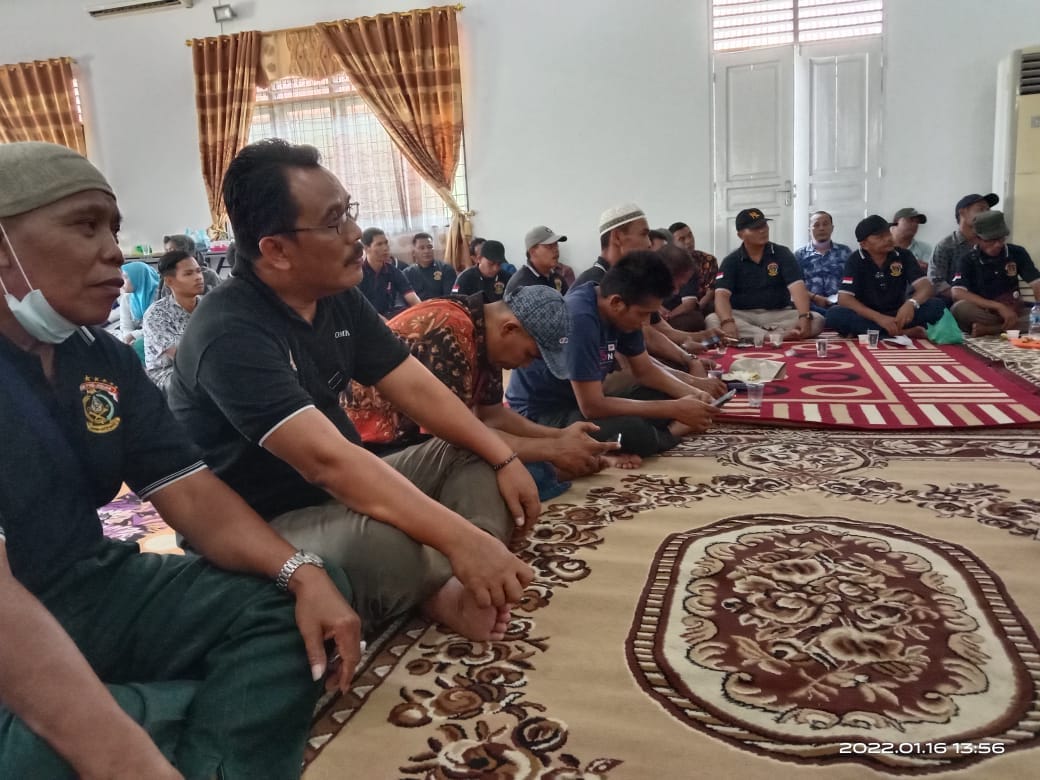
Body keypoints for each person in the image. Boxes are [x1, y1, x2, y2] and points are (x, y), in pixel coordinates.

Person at [0, 141, 358, 780]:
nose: (115, 250)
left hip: (89, 587)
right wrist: (118, 752)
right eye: (85, 225)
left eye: (113, 228)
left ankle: (175, 734)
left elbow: (191, 494)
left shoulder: (99, 358)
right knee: (62, 749)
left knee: (300, 598)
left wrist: (300, 571)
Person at [169, 139, 538, 644]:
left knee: (475, 452)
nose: (354, 235)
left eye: (349, 212)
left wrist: (503, 457)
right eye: (333, 222)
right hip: (266, 520)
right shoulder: (228, 331)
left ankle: (468, 578)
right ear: (275, 250)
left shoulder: (335, 295)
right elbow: (327, 464)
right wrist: (456, 536)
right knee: (387, 547)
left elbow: (415, 387)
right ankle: (441, 582)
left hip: (345, 485)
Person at [346, 285, 623, 475]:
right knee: (494, 473)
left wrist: (560, 437)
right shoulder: (448, 331)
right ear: (509, 329)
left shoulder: (482, 333)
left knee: (525, 465)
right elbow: (456, 440)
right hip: (374, 452)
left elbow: (493, 416)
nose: (527, 365)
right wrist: (553, 449)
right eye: (530, 354)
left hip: (424, 444)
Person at [507, 251, 719, 458]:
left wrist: (693, 394)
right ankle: (672, 432)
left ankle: (661, 430)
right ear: (617, 303)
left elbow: (645, 371)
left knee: (664, 394)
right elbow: (592, 407)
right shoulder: (579, 319)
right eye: (643, 314)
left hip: (579, 402)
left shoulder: (621, 310)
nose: (644, 323)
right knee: (632, 430)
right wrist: (674, 409)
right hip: (544, 413)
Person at [706, 208, 823, 341]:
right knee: (712, 320)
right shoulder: (731, 260)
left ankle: (759, 335)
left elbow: (798, 288)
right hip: (742, 314)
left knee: (817, 319)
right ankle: (773, 335)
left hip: (779, 313)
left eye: (764, 225)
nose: (762, 230)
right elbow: (721, 296)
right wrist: (727, 322)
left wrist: (804, 317)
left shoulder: (782, 253)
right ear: (740, 235)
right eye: (755, 228)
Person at [824, 214, 945, 338]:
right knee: (834, 315)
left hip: (899, 313)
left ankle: (878, 332)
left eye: (888, 233)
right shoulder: (855, 260)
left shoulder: (903, 255)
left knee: (937, 305)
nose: (888, 239)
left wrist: (911, 303)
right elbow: (844, 298)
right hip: (869, 315)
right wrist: (879, 318)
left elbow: (925, 287)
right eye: (880, 237)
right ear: (864, 244)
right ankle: (899, 332)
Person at [950, 210, 1040, 336]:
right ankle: (1008, 327)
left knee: (1035, 317)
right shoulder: (967, 259)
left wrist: (1037, 307)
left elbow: (1036, 283)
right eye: (991, 240)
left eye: (1001, 239)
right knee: (959, 309)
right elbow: (957, 292)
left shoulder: (1017, 253)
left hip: (1015, 311)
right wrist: (998, 307)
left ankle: (991, 329)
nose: (998, 245)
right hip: (985, 312)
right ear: (977, 239)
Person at [142, 249, 204, 391]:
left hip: (205, 367)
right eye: (189, 273)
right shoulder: (157, 314)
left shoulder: (208, 306)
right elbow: (181, 357)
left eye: (198, 271)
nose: (198, 277)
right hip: (168, 373)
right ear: (169, 281)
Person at [929, 192, 999, 303]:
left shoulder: (992, 244)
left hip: (992, 302)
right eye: (981, 209)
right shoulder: (946, 246)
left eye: (988, 210)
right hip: (957, 303)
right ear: (962, 213)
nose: (986, 214)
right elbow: (936, 282)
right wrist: (970, 299)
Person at [793, 210, 852, 315]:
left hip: (840, 307)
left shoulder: (845, 252)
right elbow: (795, 286)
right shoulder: (799, 255)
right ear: (809, 229)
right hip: (810, 308)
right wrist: (814, 297)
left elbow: (851, 280)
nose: (821, 228)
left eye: (825, 224)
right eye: (816, 225)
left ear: (832, 228)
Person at [358, 226, 420, 318]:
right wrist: (385, 324)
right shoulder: (358, 274)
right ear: (366, 248)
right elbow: (361, 308)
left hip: (389, 316)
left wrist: (423, 311)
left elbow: (411, 296)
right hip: (365, 318)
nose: (385, 248)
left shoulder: (393, 271)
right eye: (379, 244)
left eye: (386, 243)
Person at [667, 220, 719, 325]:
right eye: (682, 239)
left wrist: (697, 307)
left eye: (690, 235)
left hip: (700, 304)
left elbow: (711, 290)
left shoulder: (708, 260)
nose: (689, 241)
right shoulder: (668, 262)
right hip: (676, 306)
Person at [505, 225, 569, 294]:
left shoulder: (556, 278)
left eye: (556, 245)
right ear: (532, 252)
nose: (555, 250)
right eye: (549, 246)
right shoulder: (521, 285)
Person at [403, 232, 457, 300]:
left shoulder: (446, 269)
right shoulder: (407, 273)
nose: (426, 251)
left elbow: (450, 297)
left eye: (430, 247)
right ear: (413, 252)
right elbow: (402, 298)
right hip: (417, 306)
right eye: (422, 248)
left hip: (441, 305)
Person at [118, 260, 158, 347]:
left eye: (125, 277)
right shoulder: (126, 298)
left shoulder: (159, 296)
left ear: (138, 278)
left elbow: (159, 327)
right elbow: (126, 326)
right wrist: (128, 339)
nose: (121, 282)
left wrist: (134, 335)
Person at [889, 208, 932, 272]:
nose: (915, 224)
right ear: (896, 221)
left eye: (917, 222)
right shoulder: (880, 244)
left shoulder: (925, 249)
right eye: (910, 220)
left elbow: (931, 271)